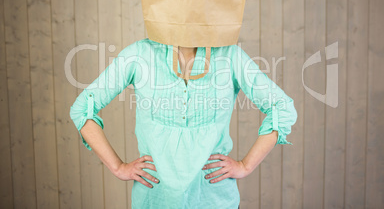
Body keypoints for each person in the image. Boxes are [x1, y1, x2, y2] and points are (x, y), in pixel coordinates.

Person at [69, 38, 298, 208]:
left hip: (215, 201)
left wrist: (245, 165)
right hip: (154, 201)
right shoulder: (139, 54)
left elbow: (282, 107)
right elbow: (82, 108)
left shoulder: (230, 56)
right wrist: (118, 167)